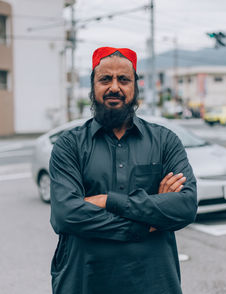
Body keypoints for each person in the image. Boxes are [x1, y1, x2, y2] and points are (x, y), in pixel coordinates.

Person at [49, 46, 197, 294]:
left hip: (154, 282)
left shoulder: (164, 141)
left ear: (135, 87)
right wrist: (145, 221)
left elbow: (185, 206)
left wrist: (108, 200)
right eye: (105, 79)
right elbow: (66, 215)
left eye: (124, 79)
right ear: (93, 86)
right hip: (84, 280)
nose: (114, 87)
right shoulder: (70, 144)